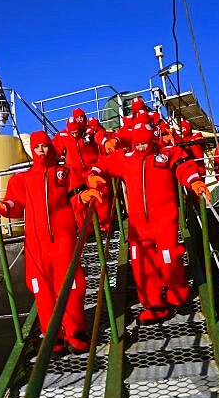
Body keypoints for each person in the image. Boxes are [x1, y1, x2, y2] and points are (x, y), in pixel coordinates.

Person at [88, 122, 210, 324]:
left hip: (164, 221)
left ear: (152, 140)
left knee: (169, 257)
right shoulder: (126, 159)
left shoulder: (166, 155)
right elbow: (103, 163)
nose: (142, 147)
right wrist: (93, 176)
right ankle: (154, 305)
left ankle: (177, 292)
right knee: (141, 265)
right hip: (138, 226)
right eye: (138, 143)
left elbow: (184, 167)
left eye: (145, 143)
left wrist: (194, 182)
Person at [0, 131, 98, 353]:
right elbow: (15, 203)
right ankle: (52, 335)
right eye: (37, 147)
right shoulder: (22, 179)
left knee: (71, 286)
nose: (41, 150)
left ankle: (75, 333)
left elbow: (76, 194)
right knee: (43, 291)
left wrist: (83, 197)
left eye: (45, 146)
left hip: (63, 241)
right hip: (36, 247)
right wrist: (3, 207)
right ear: (32, 149)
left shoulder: (64, 173)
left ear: (51, 148)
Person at [52, 108, 114, 233]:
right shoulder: (63, 136)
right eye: (72, 133)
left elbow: (99, 135)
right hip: (75, 174)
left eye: (76, 132)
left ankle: (105, 224)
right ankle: (85, 228)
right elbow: (54, 149)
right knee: (78, 200)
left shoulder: (88, 132)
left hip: (91, 170)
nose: (75, 135)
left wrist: (106, 142)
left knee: (100, 193)